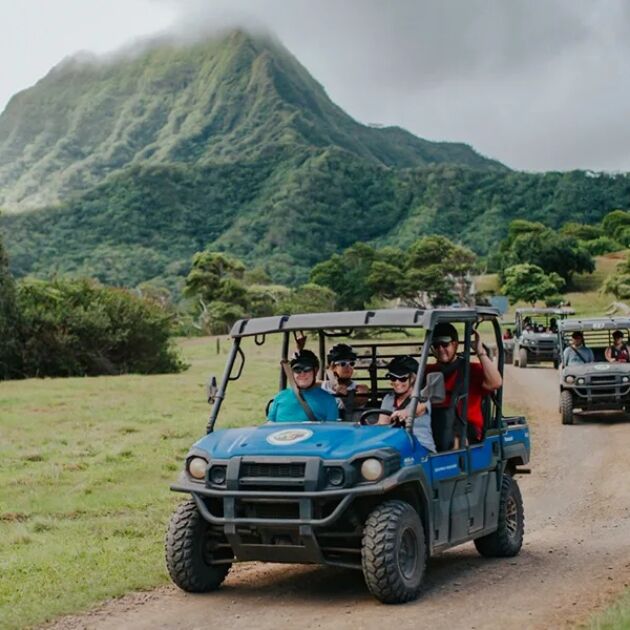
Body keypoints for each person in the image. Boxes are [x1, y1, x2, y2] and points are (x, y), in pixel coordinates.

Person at [425, 322, 502, 451]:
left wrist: (480, 352)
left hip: (466, 428)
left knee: (455, 439)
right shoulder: (428, 371)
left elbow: (495, 383)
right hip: (435, 424)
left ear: (455, 344)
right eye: (436, 345)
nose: (440, 349)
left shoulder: (470, 369)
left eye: (445, 344)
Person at [377, 355, 436, 453]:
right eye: (393, 378)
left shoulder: (422, 397)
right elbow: (382, 425)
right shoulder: (388, 398)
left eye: (402, 378)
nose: (397, 382)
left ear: (413, 378)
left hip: (422, 448)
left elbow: (419, 409)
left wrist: (406, 413)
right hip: (394, 447)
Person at [267, 350, 339, 422]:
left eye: (307, 369)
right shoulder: (280, 397)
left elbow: (332, 430)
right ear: (292, 373)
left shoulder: (328, 400)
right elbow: (269, 427)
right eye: (297, 369)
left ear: (316, 371)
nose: (302, 373)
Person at [321, 343, 369, 411]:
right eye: (343, 364)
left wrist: (346, 395)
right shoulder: (324, 386)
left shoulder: (360, 388)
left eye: (351, 363)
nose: (348, 367)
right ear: (333, 367)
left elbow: (359, 400)